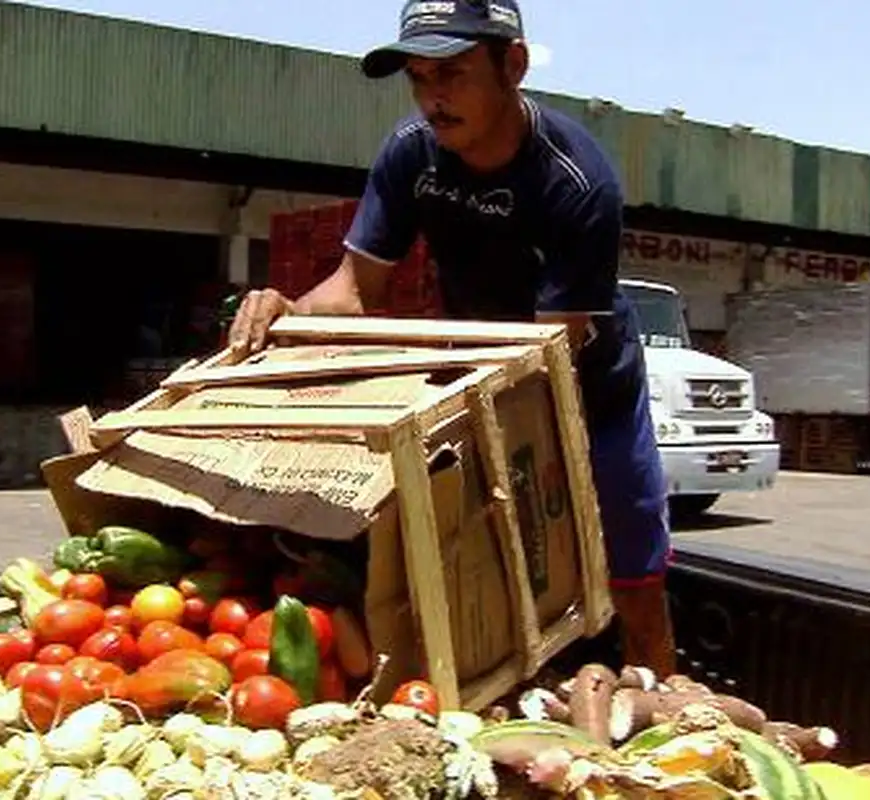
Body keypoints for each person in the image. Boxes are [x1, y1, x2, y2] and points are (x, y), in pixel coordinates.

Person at [228, 0, 677, 676]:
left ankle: (667, 702)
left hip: (587, 390)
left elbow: (549, 350)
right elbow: (354, 288)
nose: (433, 99)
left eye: (454, 75)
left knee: (633, 581)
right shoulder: (412, 155)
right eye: (419, 78)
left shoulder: (578, 181)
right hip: (475, 378)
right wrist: (289, 315)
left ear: (514, 65)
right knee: (483, 580)